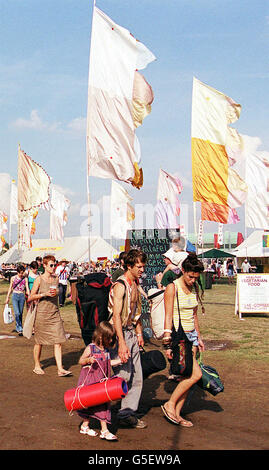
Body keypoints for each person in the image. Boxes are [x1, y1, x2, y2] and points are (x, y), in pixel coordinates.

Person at [161, 253, 205, 427]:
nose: (193, 280)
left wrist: (199, 337)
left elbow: (194, 315)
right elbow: (168, 315)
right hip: (180, 337)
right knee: (196, 375)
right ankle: (169, 404)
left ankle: (177, 414)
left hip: (192, 337)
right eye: (190, 276)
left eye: (196, 277)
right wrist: (167, 342)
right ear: (183, 271)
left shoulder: (193, 287)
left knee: (186, 377)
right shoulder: (173, 287)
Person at [108, 249, 147, 429]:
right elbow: (116, 316)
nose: (142, 269)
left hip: (130, 332)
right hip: (119, 335)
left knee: (137, 376)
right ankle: (99, 409)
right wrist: (122, 343)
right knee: (122, 376)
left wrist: (139, 334)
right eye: (138, 266)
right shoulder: (120, 286)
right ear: (129, 266)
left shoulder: (135, 284)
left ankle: (126, 413)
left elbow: (136, 313)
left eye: (143, 266)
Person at [76, 321, 121, 441]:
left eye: (112, 338)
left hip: (102, 382)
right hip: (91, 382)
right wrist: (88, 360)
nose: (111, 341)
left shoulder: (106, 350)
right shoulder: (91, 348)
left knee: (102, 404)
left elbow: (107, 363)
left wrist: (120, 361)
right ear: (101, 336)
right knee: (91, 404)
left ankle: (86, 426)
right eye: (109, 338)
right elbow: (80, 361)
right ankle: (104, 431)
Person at [28, 255, 71, 376]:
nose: (53, 267)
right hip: (42, 314)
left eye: (54, 265)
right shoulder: (39, 279)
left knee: (58, 340)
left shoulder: (56, 279)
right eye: (51, 265)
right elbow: (31, 296)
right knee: (39, 342)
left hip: (54, 313)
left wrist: (56, 292)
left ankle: (60, 369)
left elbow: (57, 292)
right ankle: (37, 365)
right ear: (45, 266)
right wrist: (44, 294)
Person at [5, 265, 30, 335]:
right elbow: (10, 288)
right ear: (17, 272)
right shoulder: (13, 278)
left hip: (22, 296)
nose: (22, 274)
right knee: (17, 313)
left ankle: (19, 327)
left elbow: (27, 288)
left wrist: (29, 295)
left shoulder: (25, 279)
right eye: (20, 273)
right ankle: (19, 327)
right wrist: (7, 297)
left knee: (21, 313)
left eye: (23, 272)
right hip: (15, 295)